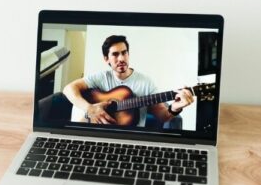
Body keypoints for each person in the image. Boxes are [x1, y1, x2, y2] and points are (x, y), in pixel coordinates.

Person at [63, 35, 194, 126]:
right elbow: (68, 89)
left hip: (132, 139)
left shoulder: (145, 82)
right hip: (99, 134)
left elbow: (162, 116)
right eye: (115, 54)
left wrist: (175, 108)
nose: (121, 58)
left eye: (124, 53)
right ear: (106, 59)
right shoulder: (101, 77)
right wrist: (90, 109)